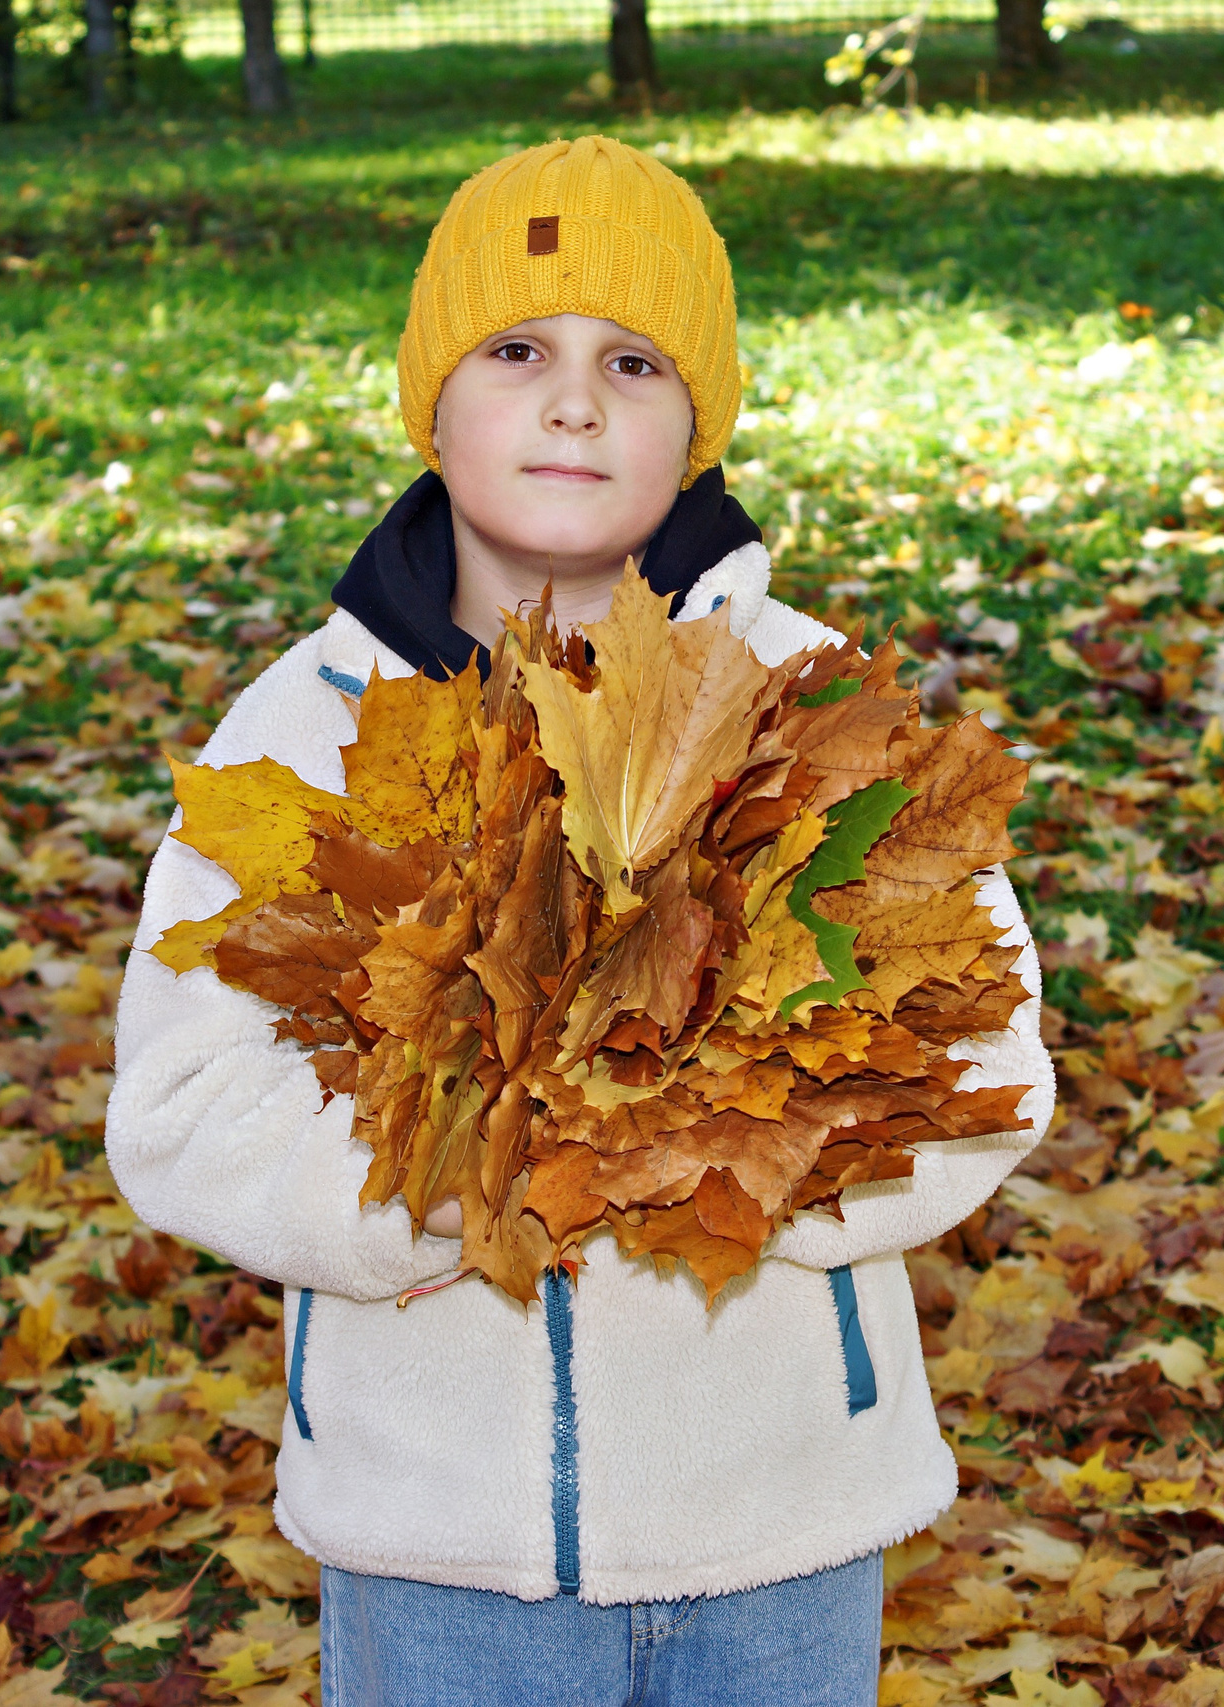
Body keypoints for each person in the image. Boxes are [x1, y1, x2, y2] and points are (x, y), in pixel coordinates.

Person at [104, 135, 1056, 1707]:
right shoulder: (295, 739)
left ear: (699, 425)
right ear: (431, 401)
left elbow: (986, 1062)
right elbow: (186, 1108)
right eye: (517, 351)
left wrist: (718, 1171)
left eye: (633, 361)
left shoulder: (805, 710)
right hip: (436, 1548)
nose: (574, 401)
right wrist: (448, 1177)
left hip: (779, 1526)